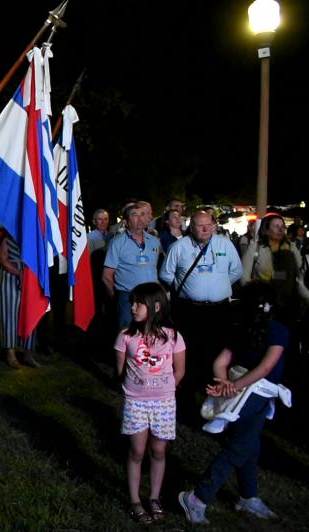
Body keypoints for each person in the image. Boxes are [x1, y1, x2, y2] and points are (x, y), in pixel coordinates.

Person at [178, 282, 289, 525]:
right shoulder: (277, 330)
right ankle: (197, 498)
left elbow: (220, 362)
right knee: (239, 447)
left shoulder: (241, 327)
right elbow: (266, 368)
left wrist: (226, 382)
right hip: (253, 393)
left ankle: (248, 496)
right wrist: (232, 385)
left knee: (250, 444)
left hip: (241, 388)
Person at [114, 282, 186, 523]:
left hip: (164, 403)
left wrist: (164, 390)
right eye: (131, 302)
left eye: (138, 303)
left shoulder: (173, 337)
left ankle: (154, 497)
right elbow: (121, 369)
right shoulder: (126, 337)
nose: (133, 307)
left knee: (158, 450)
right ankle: (135, 499)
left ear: (155, 306)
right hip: (136, 402)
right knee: (137, 451)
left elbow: (180, 370)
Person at [159, 211, 243, 416]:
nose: (205, 229)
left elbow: (236, 271)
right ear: (191, 227)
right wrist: (187, 289)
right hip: (189, 310)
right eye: (199, 225)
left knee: (216, 352)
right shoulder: (179, 247)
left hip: (219, 310)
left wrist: (218, 287)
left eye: (208, 224)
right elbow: (165, 274)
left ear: (214, 225)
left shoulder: (225, 245)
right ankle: (186, 397)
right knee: (189, 352)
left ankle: (212, 397)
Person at [103, 204, 162, 329]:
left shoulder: (154, 241)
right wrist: (118, 297)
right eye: (134, 215)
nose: (140, 218)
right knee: (128, 334)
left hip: (151, 297)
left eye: (142, 214)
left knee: (152, 333)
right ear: (126, 222)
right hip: (128, 297)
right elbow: (107, 276)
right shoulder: (117, 243)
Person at [0, 229, 39, 368]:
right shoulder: (6, 234)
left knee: (30, 314)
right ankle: (11, 353)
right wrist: (18, 272)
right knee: (9, 314)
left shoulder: (33, 233)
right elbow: (2, 258)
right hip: (10, 276)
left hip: (30, 276)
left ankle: (28, 353)